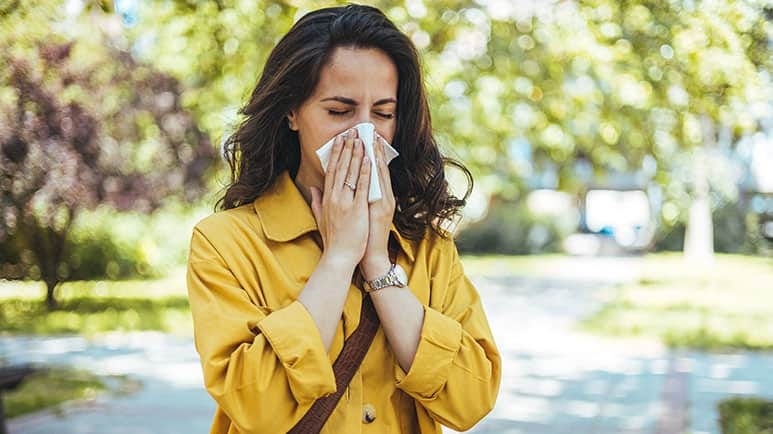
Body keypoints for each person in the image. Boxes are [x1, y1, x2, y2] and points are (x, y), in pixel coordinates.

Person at [186, 4, 501, 433]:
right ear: (292, 112)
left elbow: (472, 399)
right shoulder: (226, 243)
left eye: (383, 114)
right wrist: (338, 258)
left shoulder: (426, 245)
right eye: (339, 111)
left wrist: (377, 263)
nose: (364, 134)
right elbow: (255, 405)